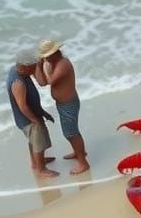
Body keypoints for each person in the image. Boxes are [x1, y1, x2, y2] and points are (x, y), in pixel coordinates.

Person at [36, 39, 89, 175]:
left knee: (71, 133)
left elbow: (49, 81)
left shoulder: (62, 64)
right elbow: (42, 83)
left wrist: (39, 66)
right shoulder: (52, 64)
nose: (46, 59)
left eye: (46, 56)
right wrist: (40, 65)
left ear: (53, 53)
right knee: (70, 132)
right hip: (62, 103)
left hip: (69, 104)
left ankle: (83, 162)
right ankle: (79, 152)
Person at [6, 48, 58, 179]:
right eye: (32, 67)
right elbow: (22, 106)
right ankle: (41, 169)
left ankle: (36, 162)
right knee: (38, 142)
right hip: (27, 119)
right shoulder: (18, 82)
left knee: (33, 142)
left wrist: (43, 113)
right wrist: (35, 120)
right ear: (23, 67)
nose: (35, 69)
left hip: (30, 116)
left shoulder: (19, 71)